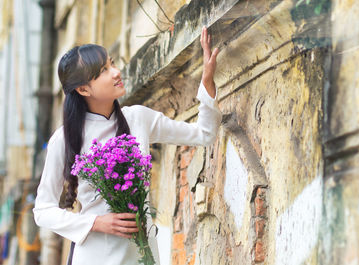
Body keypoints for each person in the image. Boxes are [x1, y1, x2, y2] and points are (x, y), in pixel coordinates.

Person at [32, 26, 222, 265]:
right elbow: (43, 211)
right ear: (83, 89)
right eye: (103, 71)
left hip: (142, 253)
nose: (116, 72)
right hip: (95, 255)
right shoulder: (65, 139)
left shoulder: (138, 119)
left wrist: (206, 81)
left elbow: (204, 134)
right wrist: (96, 222)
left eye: (112, 64)